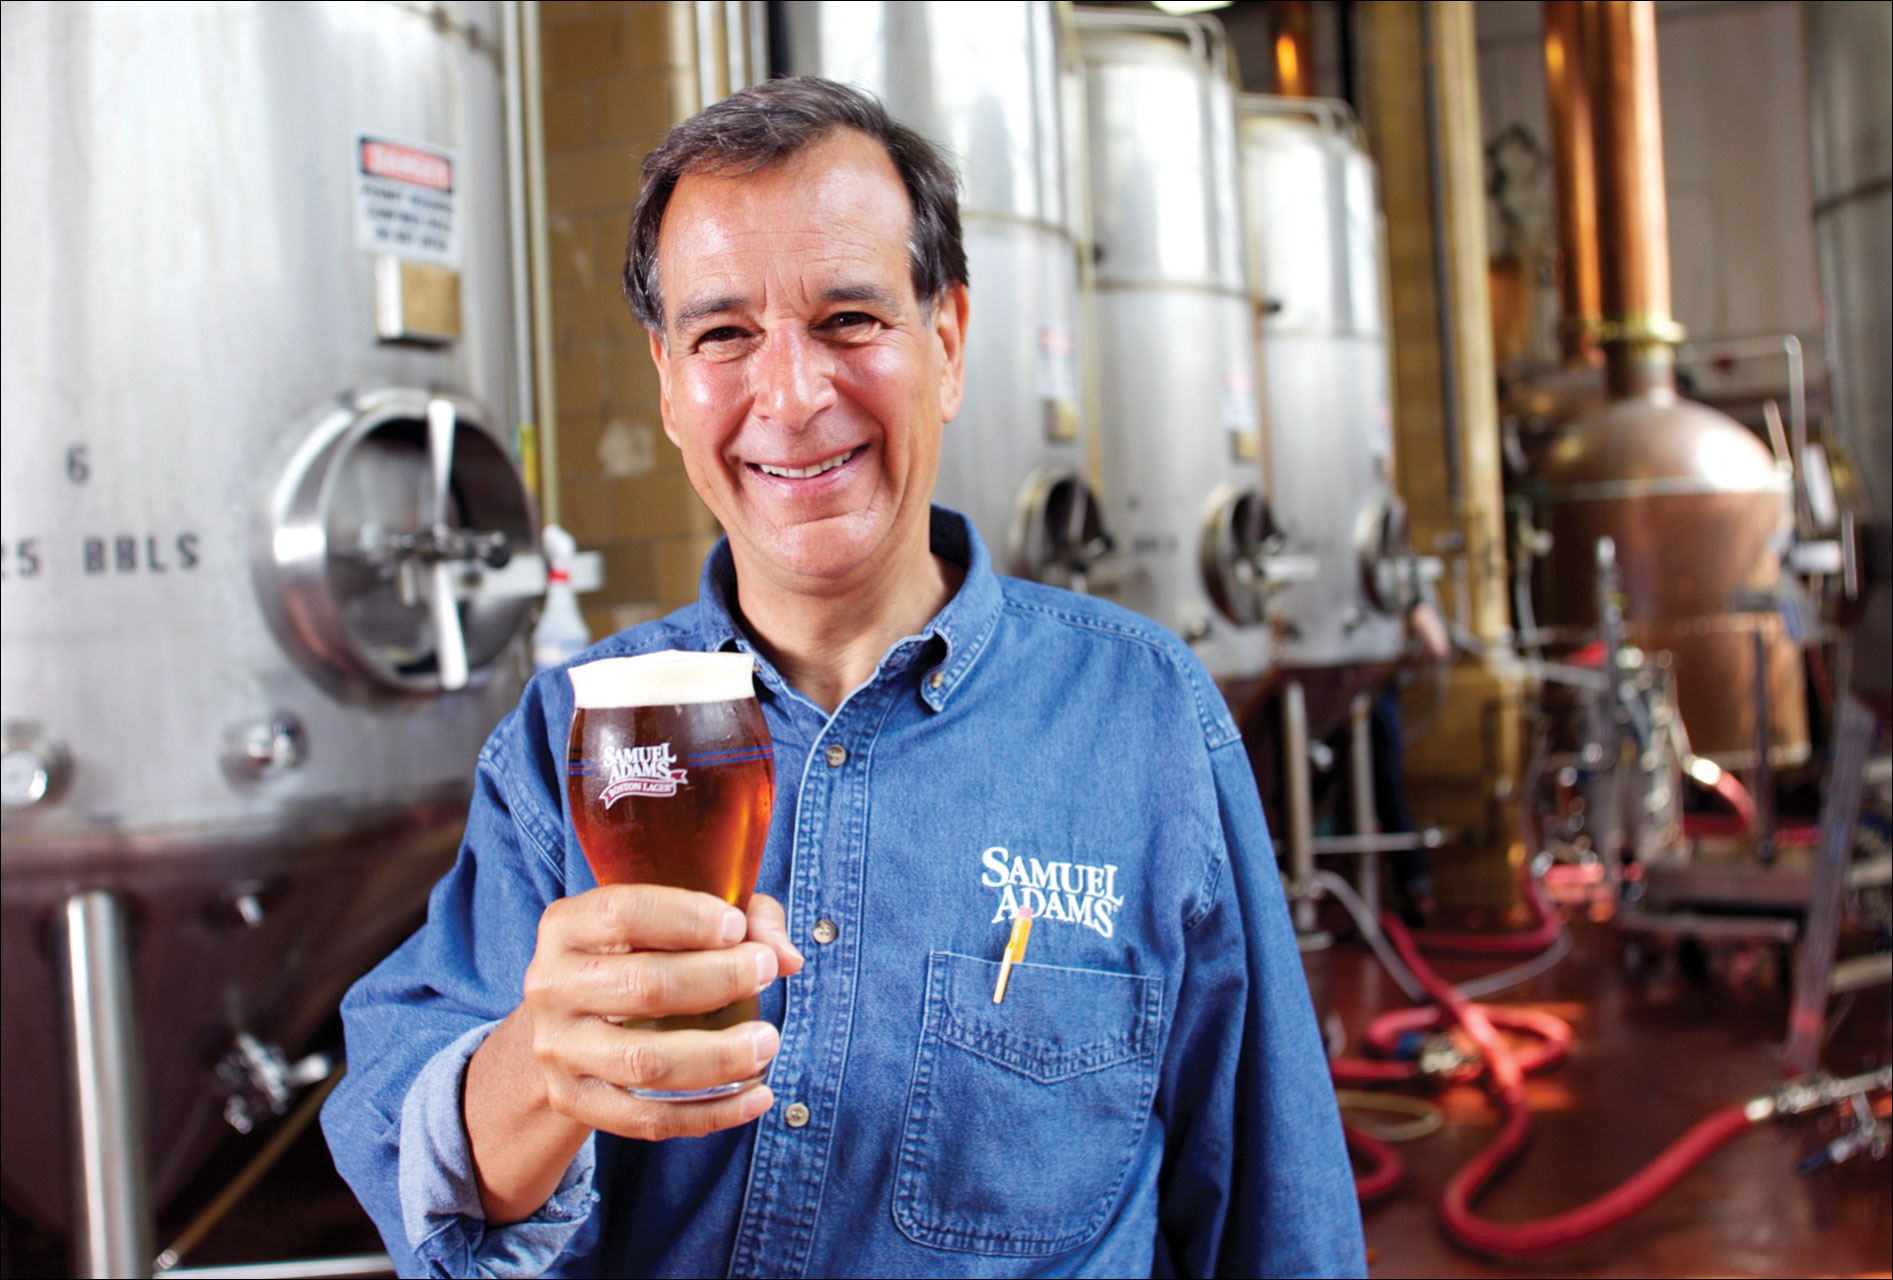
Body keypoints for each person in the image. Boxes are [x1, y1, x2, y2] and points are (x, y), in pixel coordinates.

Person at [322, 77, 1365, 1279]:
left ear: (950, 342)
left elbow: (1279, 1216)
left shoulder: (1139, 717)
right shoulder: (578, 734)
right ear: (668, 383)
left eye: (848, 319)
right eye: (723, 335)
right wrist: (541, 1067)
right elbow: (416, 1153)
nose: (793, 396)